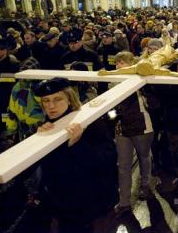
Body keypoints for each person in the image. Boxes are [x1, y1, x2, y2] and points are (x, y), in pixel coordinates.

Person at [34, 77, 118, 233]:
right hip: (64, 210)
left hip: (95, 209)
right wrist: (39, 142)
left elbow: (108, 160)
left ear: (70, 99)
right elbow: (49, 170)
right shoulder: (45, 126)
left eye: (57, 99)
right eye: (46, 101)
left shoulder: (89, 122)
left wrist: (77, 144)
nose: (51, 106)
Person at [111, 52, 154, 215]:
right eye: (116, 63)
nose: (117, 65)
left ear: (131, 64)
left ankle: (145, 185)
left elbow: (154, 104)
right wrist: (113, 117)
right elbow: (111, 110)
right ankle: (124, 202)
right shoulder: (113, 82)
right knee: (123, 166)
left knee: (144, 158)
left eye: (121, 62)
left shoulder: (142, 81)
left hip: (141, 127)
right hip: (121, 129)